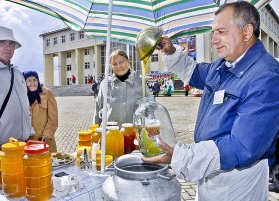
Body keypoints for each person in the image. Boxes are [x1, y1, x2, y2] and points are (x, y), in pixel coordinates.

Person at [143, 2, 279, 201]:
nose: (214, 40)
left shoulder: (266, 76)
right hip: (210, 174)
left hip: (239, 183)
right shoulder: (222, 66)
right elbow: (194, 72)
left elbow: (242, 146)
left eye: (221, 32)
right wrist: (171, 51)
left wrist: (181, 157)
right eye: (213, 32)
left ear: (247, 31)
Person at [0, 26, 34, 148]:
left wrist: (30, 133)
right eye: (1, 42)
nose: (8, 47)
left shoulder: (17, 73)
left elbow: (25, 108)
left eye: (11, 43)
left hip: (22, 145)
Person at [93, 49, 151, 127]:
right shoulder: (105, 84)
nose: (119, 66)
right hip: (112, 133)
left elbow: (150, 106)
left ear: (127, 62)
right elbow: (98, 108)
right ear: (111, 66)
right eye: (114, 64)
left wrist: (151, 126)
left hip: (135, 133)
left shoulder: (140, 82)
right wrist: (94, 131)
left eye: (121, 62)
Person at [23, 70, 58, 153]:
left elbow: (53, 118)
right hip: (28, 142)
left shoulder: (47, 94)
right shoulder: (22, 96)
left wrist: (47, 134)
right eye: (29, 80)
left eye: (35, 80)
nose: (33, 83)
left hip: (44, 140)